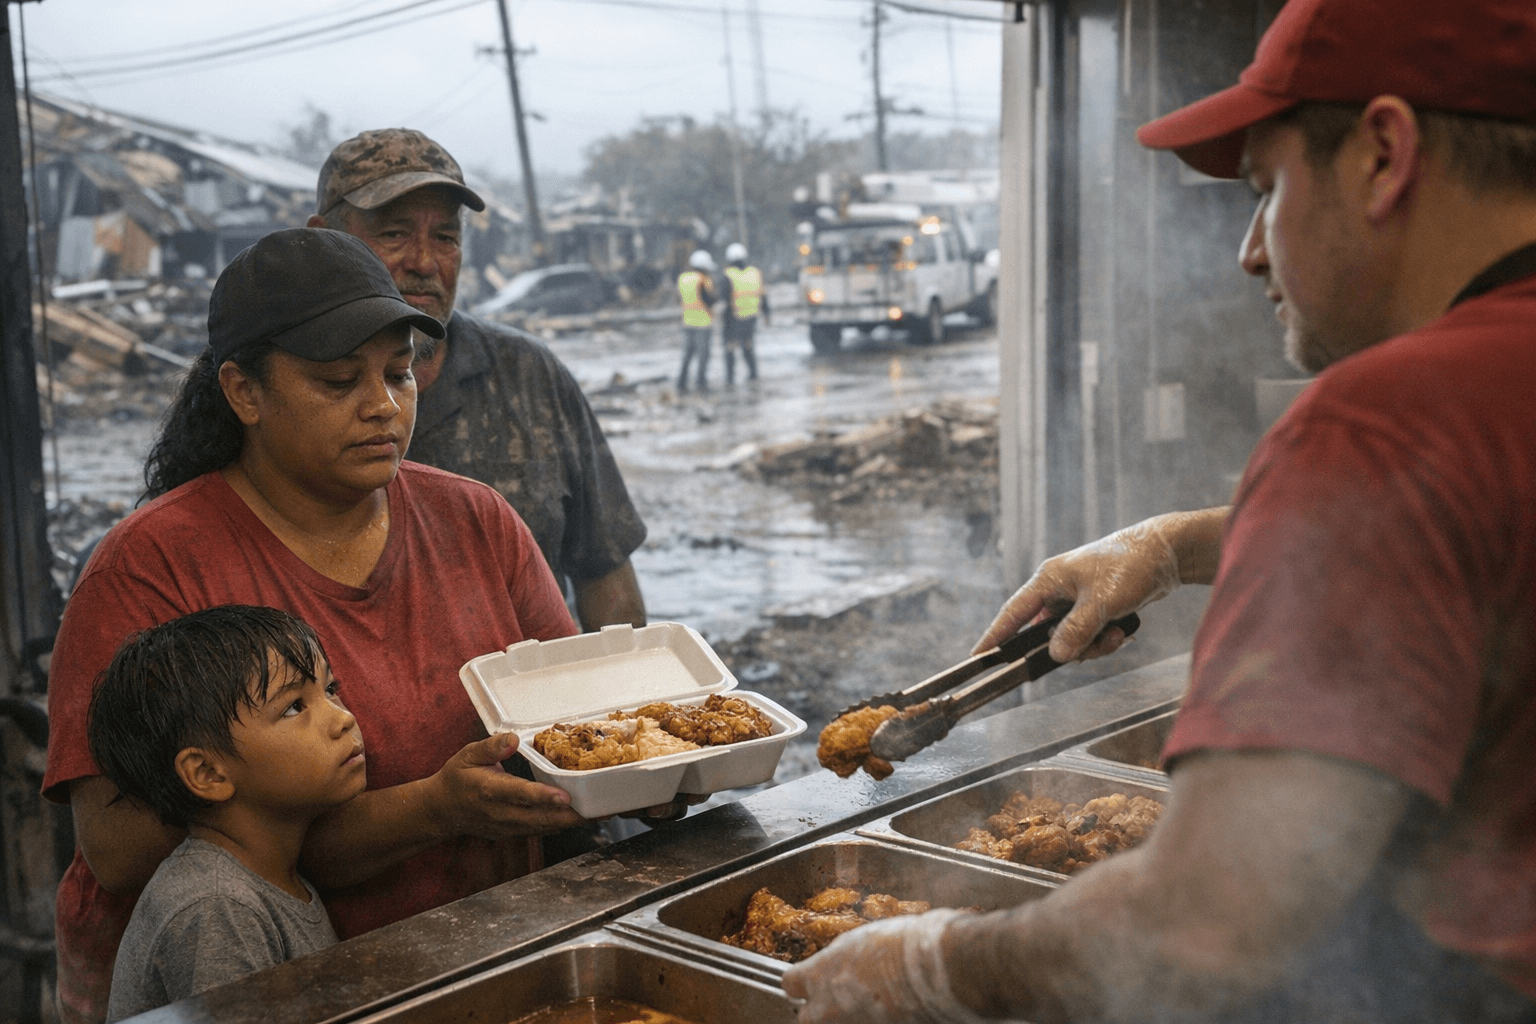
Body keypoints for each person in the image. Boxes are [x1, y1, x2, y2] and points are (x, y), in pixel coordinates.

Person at [783, 1, 1536, 1021]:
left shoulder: (1379, 422)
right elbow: (1478, 536)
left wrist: (933, 966)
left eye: (1265, 189)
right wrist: (1179, 544)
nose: (1250, 253)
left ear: (1384, 153)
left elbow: (1207, 929)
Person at [43, 227, 610, 1024]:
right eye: (339, 380)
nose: (382, 406)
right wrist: (430, 809)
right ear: (244, 392)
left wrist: (641, 780)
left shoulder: (473, 518)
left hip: (462, 961)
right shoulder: (150, 568)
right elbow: (118, 847)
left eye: (399, 374)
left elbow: (582, 726)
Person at [307, 128, 647, 633]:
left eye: (445, 237)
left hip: (537, 706)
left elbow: (606, 573)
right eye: (394, 234)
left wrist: (631, 704)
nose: (424, 262)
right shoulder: (282, 389)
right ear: (322, 240)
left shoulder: (529, 374)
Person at [91, 606, 362, 1021]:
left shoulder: (271, 877)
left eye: (329, 689)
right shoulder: (217, 908)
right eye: (293, 707)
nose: (343, 718)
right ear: (208, 773)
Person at [720, 242, 768, 386]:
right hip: (751, 319)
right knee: (748, 347)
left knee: (730, 349)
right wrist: (767, 314)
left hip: (733, 319)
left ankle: (730, 379)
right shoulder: (755, 273)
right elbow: (763, 296)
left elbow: (724, 299)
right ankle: (753, 374)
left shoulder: (728, 275)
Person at [676, 249, 717, 392]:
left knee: (687, 355)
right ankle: (701, 383)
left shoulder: (683, 279)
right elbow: (709, 300)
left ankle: (681, 382)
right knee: (703, 356)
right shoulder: (702, 280)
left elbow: (680, 300)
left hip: (687, 322)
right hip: (703, 324)